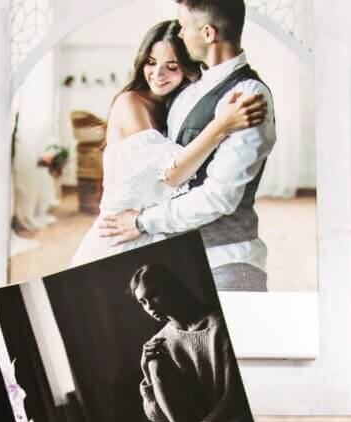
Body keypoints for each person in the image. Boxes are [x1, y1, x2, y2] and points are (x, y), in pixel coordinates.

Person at [100, 0, 278, 292]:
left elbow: (219, 197)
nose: (180, 35)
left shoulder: (246, 95)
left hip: (227, 261)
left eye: (183, 27)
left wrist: (143, 222)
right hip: (179, 258)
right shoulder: (188, 91)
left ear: (208, 33)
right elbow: (169, 173)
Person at [70, 18, 266, 267]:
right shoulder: (131, 103)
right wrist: (221, 125)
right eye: (151, 63)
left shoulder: (176, 107)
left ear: (187, 67)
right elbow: (172, 173)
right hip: (118, 233)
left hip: (153, 233)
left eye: (171, 66)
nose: (158, 74)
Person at [131, 263, 261, 422]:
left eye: (153, 295)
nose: (149, 306)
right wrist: (146, 371)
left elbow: (236, 400)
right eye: (142, 302)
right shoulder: (158, 342)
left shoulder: (218, 326)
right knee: (155, 362)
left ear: (172, 287)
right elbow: (158, 416)